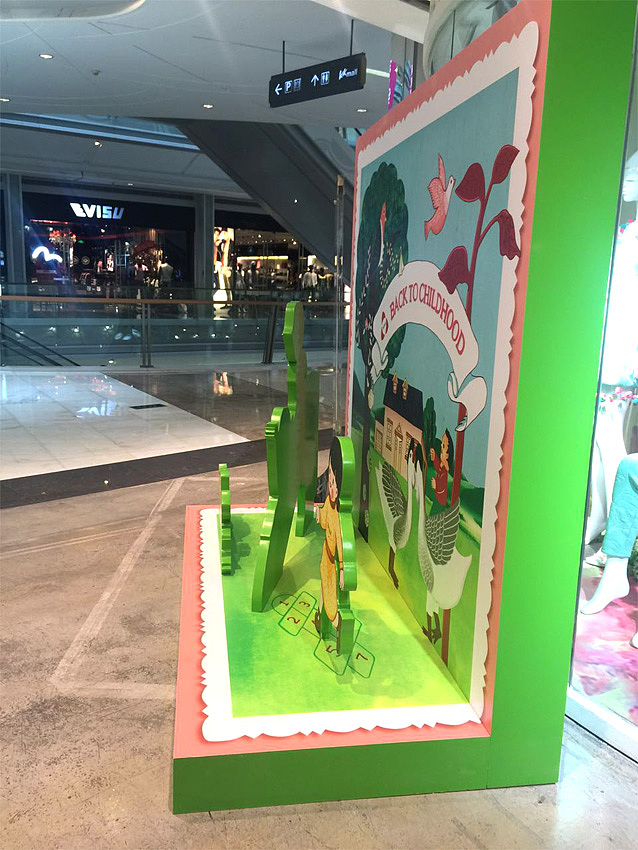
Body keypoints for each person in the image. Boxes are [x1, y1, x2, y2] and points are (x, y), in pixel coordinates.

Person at [314, 440, 345, 651]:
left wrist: (342, 568)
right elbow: (323, 521)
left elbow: (341, 543)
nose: (332, 488)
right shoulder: (329, 504)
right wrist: (319, 510)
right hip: (326, 556)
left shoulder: (338, 516)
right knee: (325, 588)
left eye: (335, 484)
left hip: (332, 560)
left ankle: (337, 624)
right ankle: (321, 617)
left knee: (330, 594)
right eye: (331, 482)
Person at [430, 429, 454, 506]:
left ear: (447, 455)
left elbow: (441, 487)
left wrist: (436, 485)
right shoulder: (442, 466)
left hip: (440, 501)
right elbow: (438, 466)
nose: (441, 446)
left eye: (443, 446)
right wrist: (434, 456)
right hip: (437, 498)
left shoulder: (445, 472)